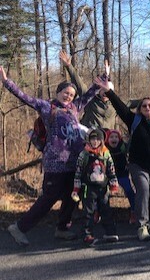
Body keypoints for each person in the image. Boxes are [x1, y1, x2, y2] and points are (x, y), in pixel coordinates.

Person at [2, 65, 102, 246]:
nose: (68, 96)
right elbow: (26, 98)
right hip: (55, 162)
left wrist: (104, 77)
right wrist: (7, 83)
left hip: (74, 162)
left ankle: (62, 228)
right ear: (58, 92)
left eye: (71, 94)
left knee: (73, 195)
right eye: (66, 92)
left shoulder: (75, 108)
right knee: (49, 197)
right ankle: (20, 227)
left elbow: (89, 95)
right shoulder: (47, 107)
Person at [95, 77, 150, 241]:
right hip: (138, 163)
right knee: (144, 189)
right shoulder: (135, 120)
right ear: (140, 109)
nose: (147, 107)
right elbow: (120, 106)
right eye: (144, 105)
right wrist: (109, 92)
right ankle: (142, 225)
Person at [71, 128, 119, 245]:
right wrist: (76, 189)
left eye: (98, 139)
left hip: (103, 187)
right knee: (89, 211)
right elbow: (78, 172)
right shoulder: (84, 154)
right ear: (89, 140)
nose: (95, 141)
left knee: (105, 209)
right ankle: (87, 234)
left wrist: (113, 184)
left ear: (102, 140)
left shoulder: (106, 153)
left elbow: (111, 170)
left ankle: (110, 232)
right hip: (88, 188)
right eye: (93, 139)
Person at [59, 51, 117, 130]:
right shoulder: (91, 99)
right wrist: (69, 66)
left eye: (107, 91)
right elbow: (79, 84)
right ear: (99, 90)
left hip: (107, 139)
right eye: (103, 90)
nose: (105, 93)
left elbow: (131, 104)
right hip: (89, 137)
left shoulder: (114, 104)